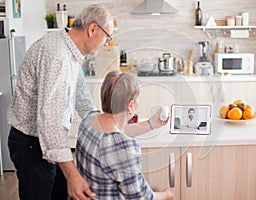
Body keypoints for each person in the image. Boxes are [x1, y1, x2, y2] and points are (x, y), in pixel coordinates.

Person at [7, 4, 166, 200]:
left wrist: (101, 121)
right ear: (92, 29)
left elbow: (80, 93)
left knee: (58, 191)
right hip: (32, 143)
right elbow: (50, 122)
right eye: (108, 37)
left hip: (47, 142)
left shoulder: (69, 48)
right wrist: (72, 174)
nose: (107, 43)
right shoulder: (58, 57)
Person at [76, 71, 174, 200]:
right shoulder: (123, 146)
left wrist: (152, 123)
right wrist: (166, 195)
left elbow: (120, 130)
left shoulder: (89, 119)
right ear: (130, 105)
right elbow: (140, 197)